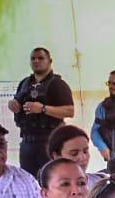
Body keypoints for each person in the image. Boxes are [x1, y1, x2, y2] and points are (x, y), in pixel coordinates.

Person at [8, 47, 75, 176]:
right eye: (33, 58)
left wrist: (43, 109)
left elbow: (69, 111)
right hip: (27, 141)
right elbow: (17, 101)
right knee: (28, 182)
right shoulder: (25, 83)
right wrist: (13, 104)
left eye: (40, 58)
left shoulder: (58, 84)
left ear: (49, 61)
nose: (36, 61)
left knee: (52, 179)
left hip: (49, 142)